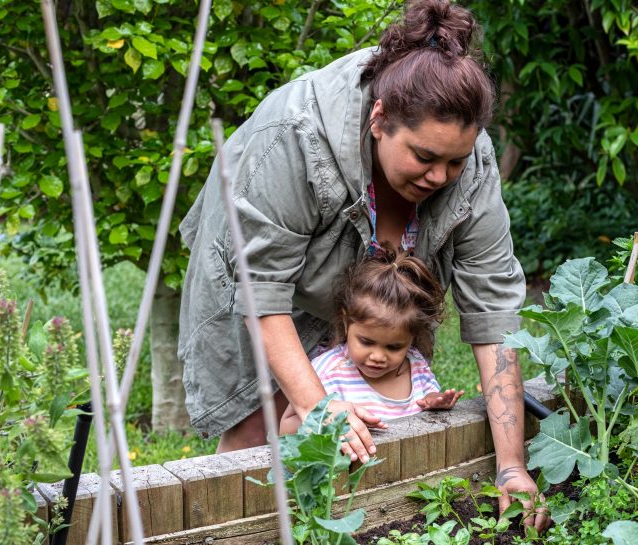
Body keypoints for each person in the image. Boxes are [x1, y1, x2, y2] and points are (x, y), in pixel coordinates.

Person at [178, 0, 546, 528]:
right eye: (423, 157)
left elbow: (494, 315)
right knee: (259, 425)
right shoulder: (295, 135)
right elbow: (262, 294)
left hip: (374, 284)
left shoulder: (472, 158)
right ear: (379, 121)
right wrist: (316, 406)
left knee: (374, 403)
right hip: (261, 269)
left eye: (454, 162)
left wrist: (512, 465)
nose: (440, 177)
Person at [279, 247, 464, 435]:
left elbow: (427, 397)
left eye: (394, 347)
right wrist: (331, 423)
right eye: (366, 342)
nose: (377, 356)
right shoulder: (328, 370)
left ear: (412, 338)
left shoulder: (415, 365)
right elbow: (285, 429)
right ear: (346, 322)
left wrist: (434, 401)